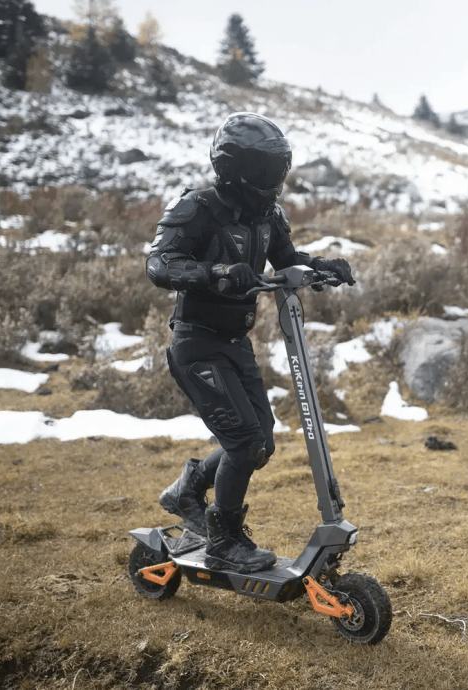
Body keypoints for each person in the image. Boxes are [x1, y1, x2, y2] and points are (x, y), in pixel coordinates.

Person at [146, 112, 354, 573]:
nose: (274, 179)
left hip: (234, 343)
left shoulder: (268, 215)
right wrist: (216, 273)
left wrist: (321, 266)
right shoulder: (197, 207)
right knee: (243, 442)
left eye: (279, 168)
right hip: (196, 345)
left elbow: (286, 258)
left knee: (260, 444)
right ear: (236, 168)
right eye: (266, 169)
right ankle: (223, 541)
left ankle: (187, 489)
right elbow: (160, 264)